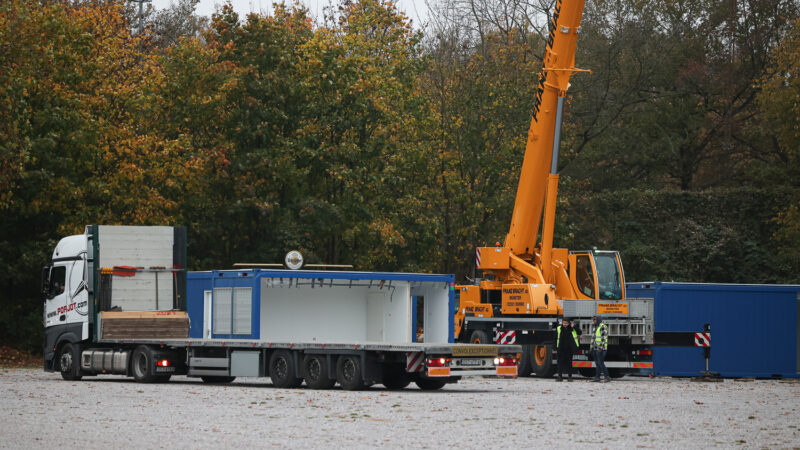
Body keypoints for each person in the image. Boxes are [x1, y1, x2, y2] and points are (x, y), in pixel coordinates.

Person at [592, 316, 610, 382]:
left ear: (598, 320)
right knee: (597, 363)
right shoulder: (595, 327)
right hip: (595, 348)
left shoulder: (602, 326)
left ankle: (607, 377)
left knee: (600, 363)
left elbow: (604, 338)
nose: (593, 321)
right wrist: (592, 347)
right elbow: (593, 338)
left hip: (601, 348)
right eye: (593, 320)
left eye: (594, 320)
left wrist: (601, 348)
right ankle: (597, 377)